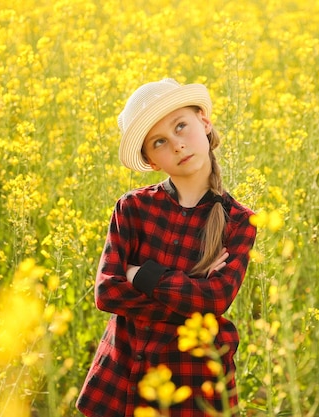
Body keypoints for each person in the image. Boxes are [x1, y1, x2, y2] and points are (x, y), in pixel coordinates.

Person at [76, 78, 257, 417]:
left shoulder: (239, 221)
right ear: (151, 160)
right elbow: (106, 293)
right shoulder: (132, 208)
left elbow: (215, 300)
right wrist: (192, 303)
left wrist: (140, 274)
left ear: (204, 121)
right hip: (124, 376)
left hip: (194, 381)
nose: (177, 145)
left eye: (181, 127)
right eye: (160, 141)